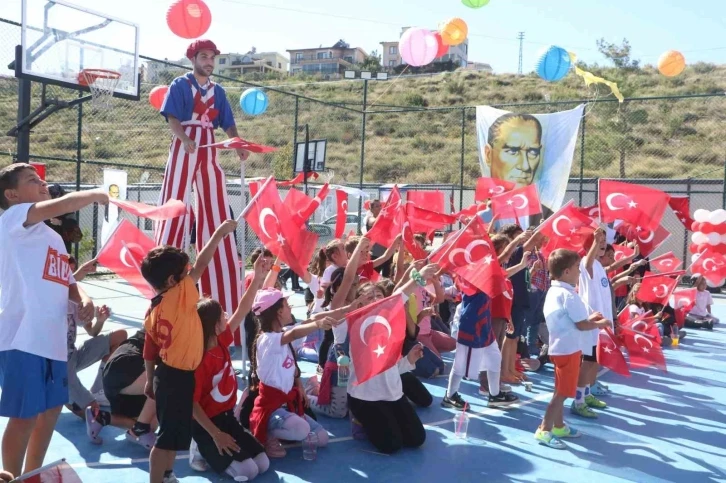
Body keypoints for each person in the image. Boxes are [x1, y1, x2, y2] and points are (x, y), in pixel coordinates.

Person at [0, 163, 107, 477]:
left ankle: (32, 475)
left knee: (48, 413)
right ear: (12, 194)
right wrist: (95, 194)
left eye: (41, 178)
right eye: (33, 180)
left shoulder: (54, 238)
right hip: (23, 338)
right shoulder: (12, 219)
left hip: (53, 342)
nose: (42, 182)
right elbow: (62, 205)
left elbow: (67, 283)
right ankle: (10, 475)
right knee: (25, 416)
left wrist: (83, 299)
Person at [154, 38, 249, 327]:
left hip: (208, 145)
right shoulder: (180, 85)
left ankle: (221, 280)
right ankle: (164, 266)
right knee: (176, 198)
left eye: (212, 57)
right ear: (193, 58)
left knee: (215, 201)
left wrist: (237, 142)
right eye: (204, 56)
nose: (209, 61)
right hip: (186, 145)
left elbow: (228, 123)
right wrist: (183, 138)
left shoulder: (217, 91)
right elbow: (172, 117)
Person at [141, 219, 238, 483]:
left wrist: (150, 378)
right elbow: (203, 263)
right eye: (186, 272)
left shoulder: (154, 308)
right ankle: (156, 480)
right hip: (175, 377)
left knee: (173, 436)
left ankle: (168, 474)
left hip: (170, 375)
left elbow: (150, 350)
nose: (191, 274)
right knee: (165, 440)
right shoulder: (178, 296)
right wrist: (219, 233)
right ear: (174, 280)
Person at [191, 255, 271, 481]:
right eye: (222, 315)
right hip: (206, 423)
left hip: (227, 417)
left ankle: (214, 446)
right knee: (248, 472)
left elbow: (243, 308)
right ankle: (199, 447)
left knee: (262, 464)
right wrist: (215, 435)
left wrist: (256, 277)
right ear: (213, 326)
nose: (227, 316)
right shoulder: (198, 360)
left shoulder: (222, 340)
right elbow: (192, 405)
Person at [535, 249, 612, 449]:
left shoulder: (556, 291)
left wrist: (591, 319)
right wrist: (600, 322)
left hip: (561, 348)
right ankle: (544, 429)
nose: (580, 272)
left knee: (560, 390)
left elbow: (576, 319)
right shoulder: (567, 294)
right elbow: (582, 324)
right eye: (577, 268)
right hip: (567, 350)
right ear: (567, 271)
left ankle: (559, 426)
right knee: (561, 394)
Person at [248, 289, 336, 458]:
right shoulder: (267, 339)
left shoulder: (282, 335)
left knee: (323, 438)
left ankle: (288, 429)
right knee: (302, 429)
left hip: (289, 405)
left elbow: (312, 319)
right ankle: (269, 433)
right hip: (272, 408)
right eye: (287, 305)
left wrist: (351, 308)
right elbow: (297, 331)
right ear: (278, 312)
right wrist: (318, 325)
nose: (291, 307)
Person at [85, 329, 159, 450]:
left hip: (116, 375)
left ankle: (101, 417)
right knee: (164, 382)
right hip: (125, 364)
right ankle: (140, 430)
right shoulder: (172, 327)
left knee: (151, 425)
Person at [573, 228, 611, 419]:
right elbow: (586, 262)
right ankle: (578, 401)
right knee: (587, 362)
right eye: (599, 239)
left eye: (604, 239)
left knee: (594, 361)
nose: (603, 242)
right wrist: (595, 242)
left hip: (600, 323)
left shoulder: (599, 265)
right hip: (590, 321)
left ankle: (587, 395)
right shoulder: (585, 263)